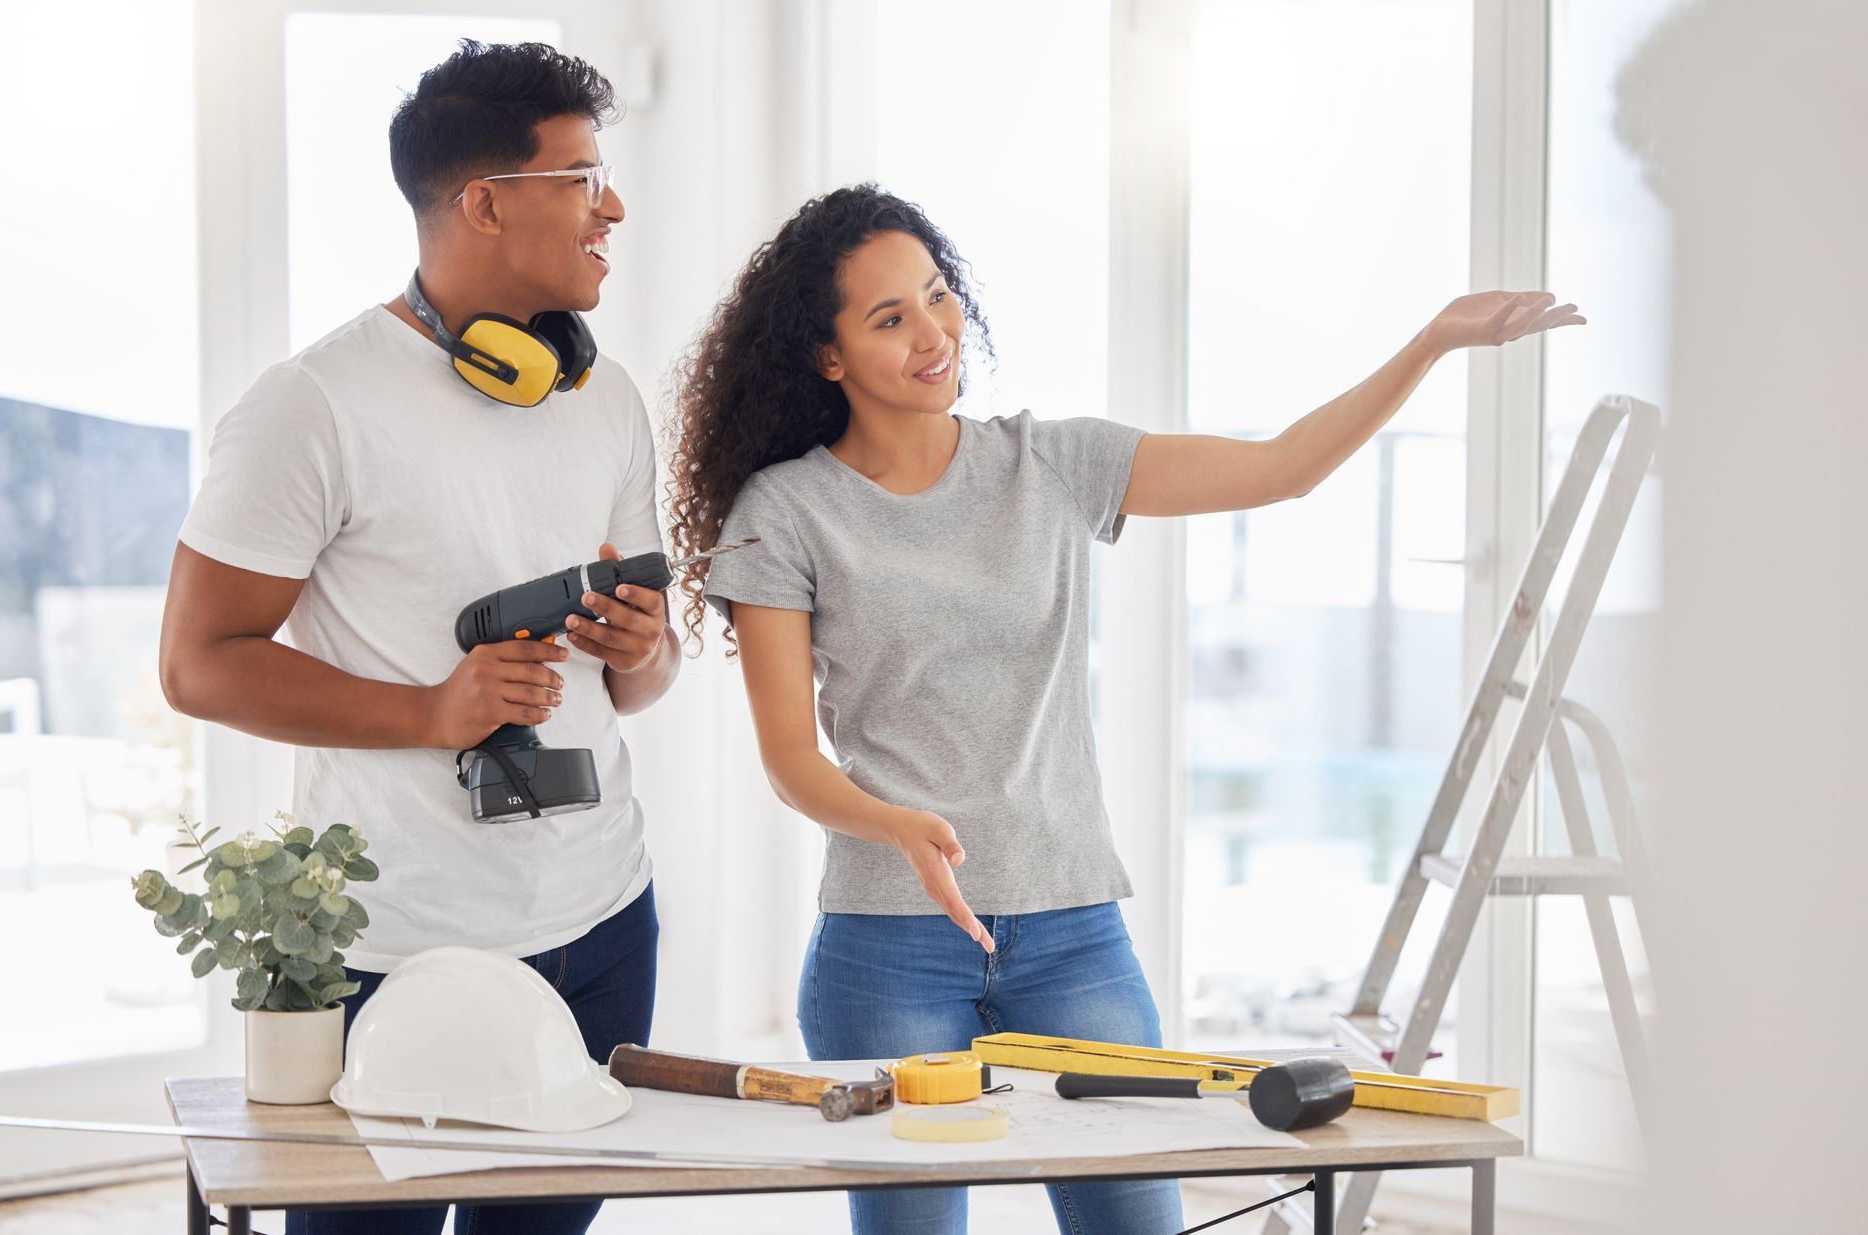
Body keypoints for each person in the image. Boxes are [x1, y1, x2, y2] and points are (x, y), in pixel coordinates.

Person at [670, 184, 1580, 1235]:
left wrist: (1432, 342)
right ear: (827, 356)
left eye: (936, 296)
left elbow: (1283, 468)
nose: (933, 334)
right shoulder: (782, 511)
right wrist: (895, 823)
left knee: (1137, 1217)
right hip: (888, 943)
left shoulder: (1052, 463)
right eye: (889, 319)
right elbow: (790, 754)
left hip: (1071, 931)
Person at [159, 40, 677, 1235]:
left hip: (602, 921)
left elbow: (641, 690)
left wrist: (641, 641)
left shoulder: (606, 397)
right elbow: (197, 661)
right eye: (584, 174)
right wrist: (430, 712)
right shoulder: (315, 404)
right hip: (398, 948)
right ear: (486, 202)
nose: (615, 206)